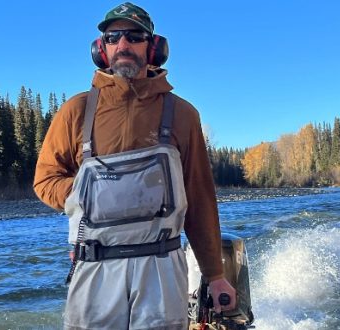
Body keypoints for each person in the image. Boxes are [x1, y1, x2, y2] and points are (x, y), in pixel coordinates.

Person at [34, 2, 236, 329]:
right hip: (95, 265)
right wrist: (84, 192)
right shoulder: (75, 110)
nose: (123, 45)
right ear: (102, 49)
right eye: (113, 37)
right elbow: (45, 180)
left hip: (161, 266)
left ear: (154, 47)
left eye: (134, 36)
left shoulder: (184, 114)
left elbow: (199, 199)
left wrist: (215, 276)